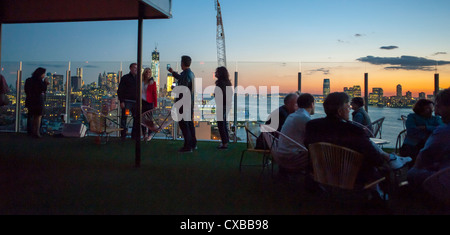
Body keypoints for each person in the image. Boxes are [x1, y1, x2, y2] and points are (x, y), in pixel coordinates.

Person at [304, 92, 412, 196]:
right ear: (340, 111)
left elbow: (307, 146)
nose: (350, 109)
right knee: (385, 168)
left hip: (322, 173)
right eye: (347, 107)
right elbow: (376, 159)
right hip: (353, 177)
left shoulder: (312, 126)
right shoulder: (354, 130)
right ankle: (385, 197)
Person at [407, 89, 450, 192]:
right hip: (415, 144)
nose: (436, 112)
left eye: (438, 107)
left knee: (412, 173)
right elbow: (411, 131)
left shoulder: (443, 131)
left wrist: (424, 128)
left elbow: (423, 158)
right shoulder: (413, 117)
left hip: (445, 179)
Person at [277, 93, 315, 174]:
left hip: (281, 154)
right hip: (291, 157)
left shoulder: (293, 115)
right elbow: (313, 139)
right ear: (312, 104)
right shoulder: (304, 118)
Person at [168, 55, 197, 153]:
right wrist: (173, 72)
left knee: (184, 125)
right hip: (189, 103)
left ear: (182, 63)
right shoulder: (191, 74)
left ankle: (187, 146)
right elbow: (182, 78)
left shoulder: (185, 74)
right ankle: (193, 144)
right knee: (189, 124)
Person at [24, 67, 50, 138]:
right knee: (38, 116)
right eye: (44, 73)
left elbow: (26, 90)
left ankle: (31, 132)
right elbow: (43, 89)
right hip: (38, 100)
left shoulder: (28, 80)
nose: (44, 75)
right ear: (41, 74)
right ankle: (37, 132)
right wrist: (45, 83)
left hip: (30, 100)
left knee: (31, 116)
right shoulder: (39, 81)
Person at [117, 63, 139, 140]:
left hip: (136, 103)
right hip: (127, 102)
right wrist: (122, 101)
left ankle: (134, 136)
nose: (136, 69)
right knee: (124, 118)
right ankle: (123, 135)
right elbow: (120, 90)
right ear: (130, 68)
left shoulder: (139, 78)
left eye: (137, 67)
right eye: (134, 67)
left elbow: (148, 78)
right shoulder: (125, 78)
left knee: (136, 119)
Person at [214, 66, 233, 150]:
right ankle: (225, 141)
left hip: (222, 105)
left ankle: (224, 143)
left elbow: (221, 95)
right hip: (226, 105)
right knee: (223, 123)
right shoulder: (227, 83)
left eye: (216, 72)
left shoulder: (220, 83)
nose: (215, 73)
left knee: (221, 124)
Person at [141, 67, 158, 141]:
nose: (148, 73)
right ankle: (144, 134)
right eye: (146, 72)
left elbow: (155, 94)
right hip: (142, 102)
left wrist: (155, 105)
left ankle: (150, 135)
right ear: (144, 73)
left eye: (149, 72)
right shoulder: (140, 81)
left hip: (149, 102)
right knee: (142, 120)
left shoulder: (152, 83)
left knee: (150, 119)